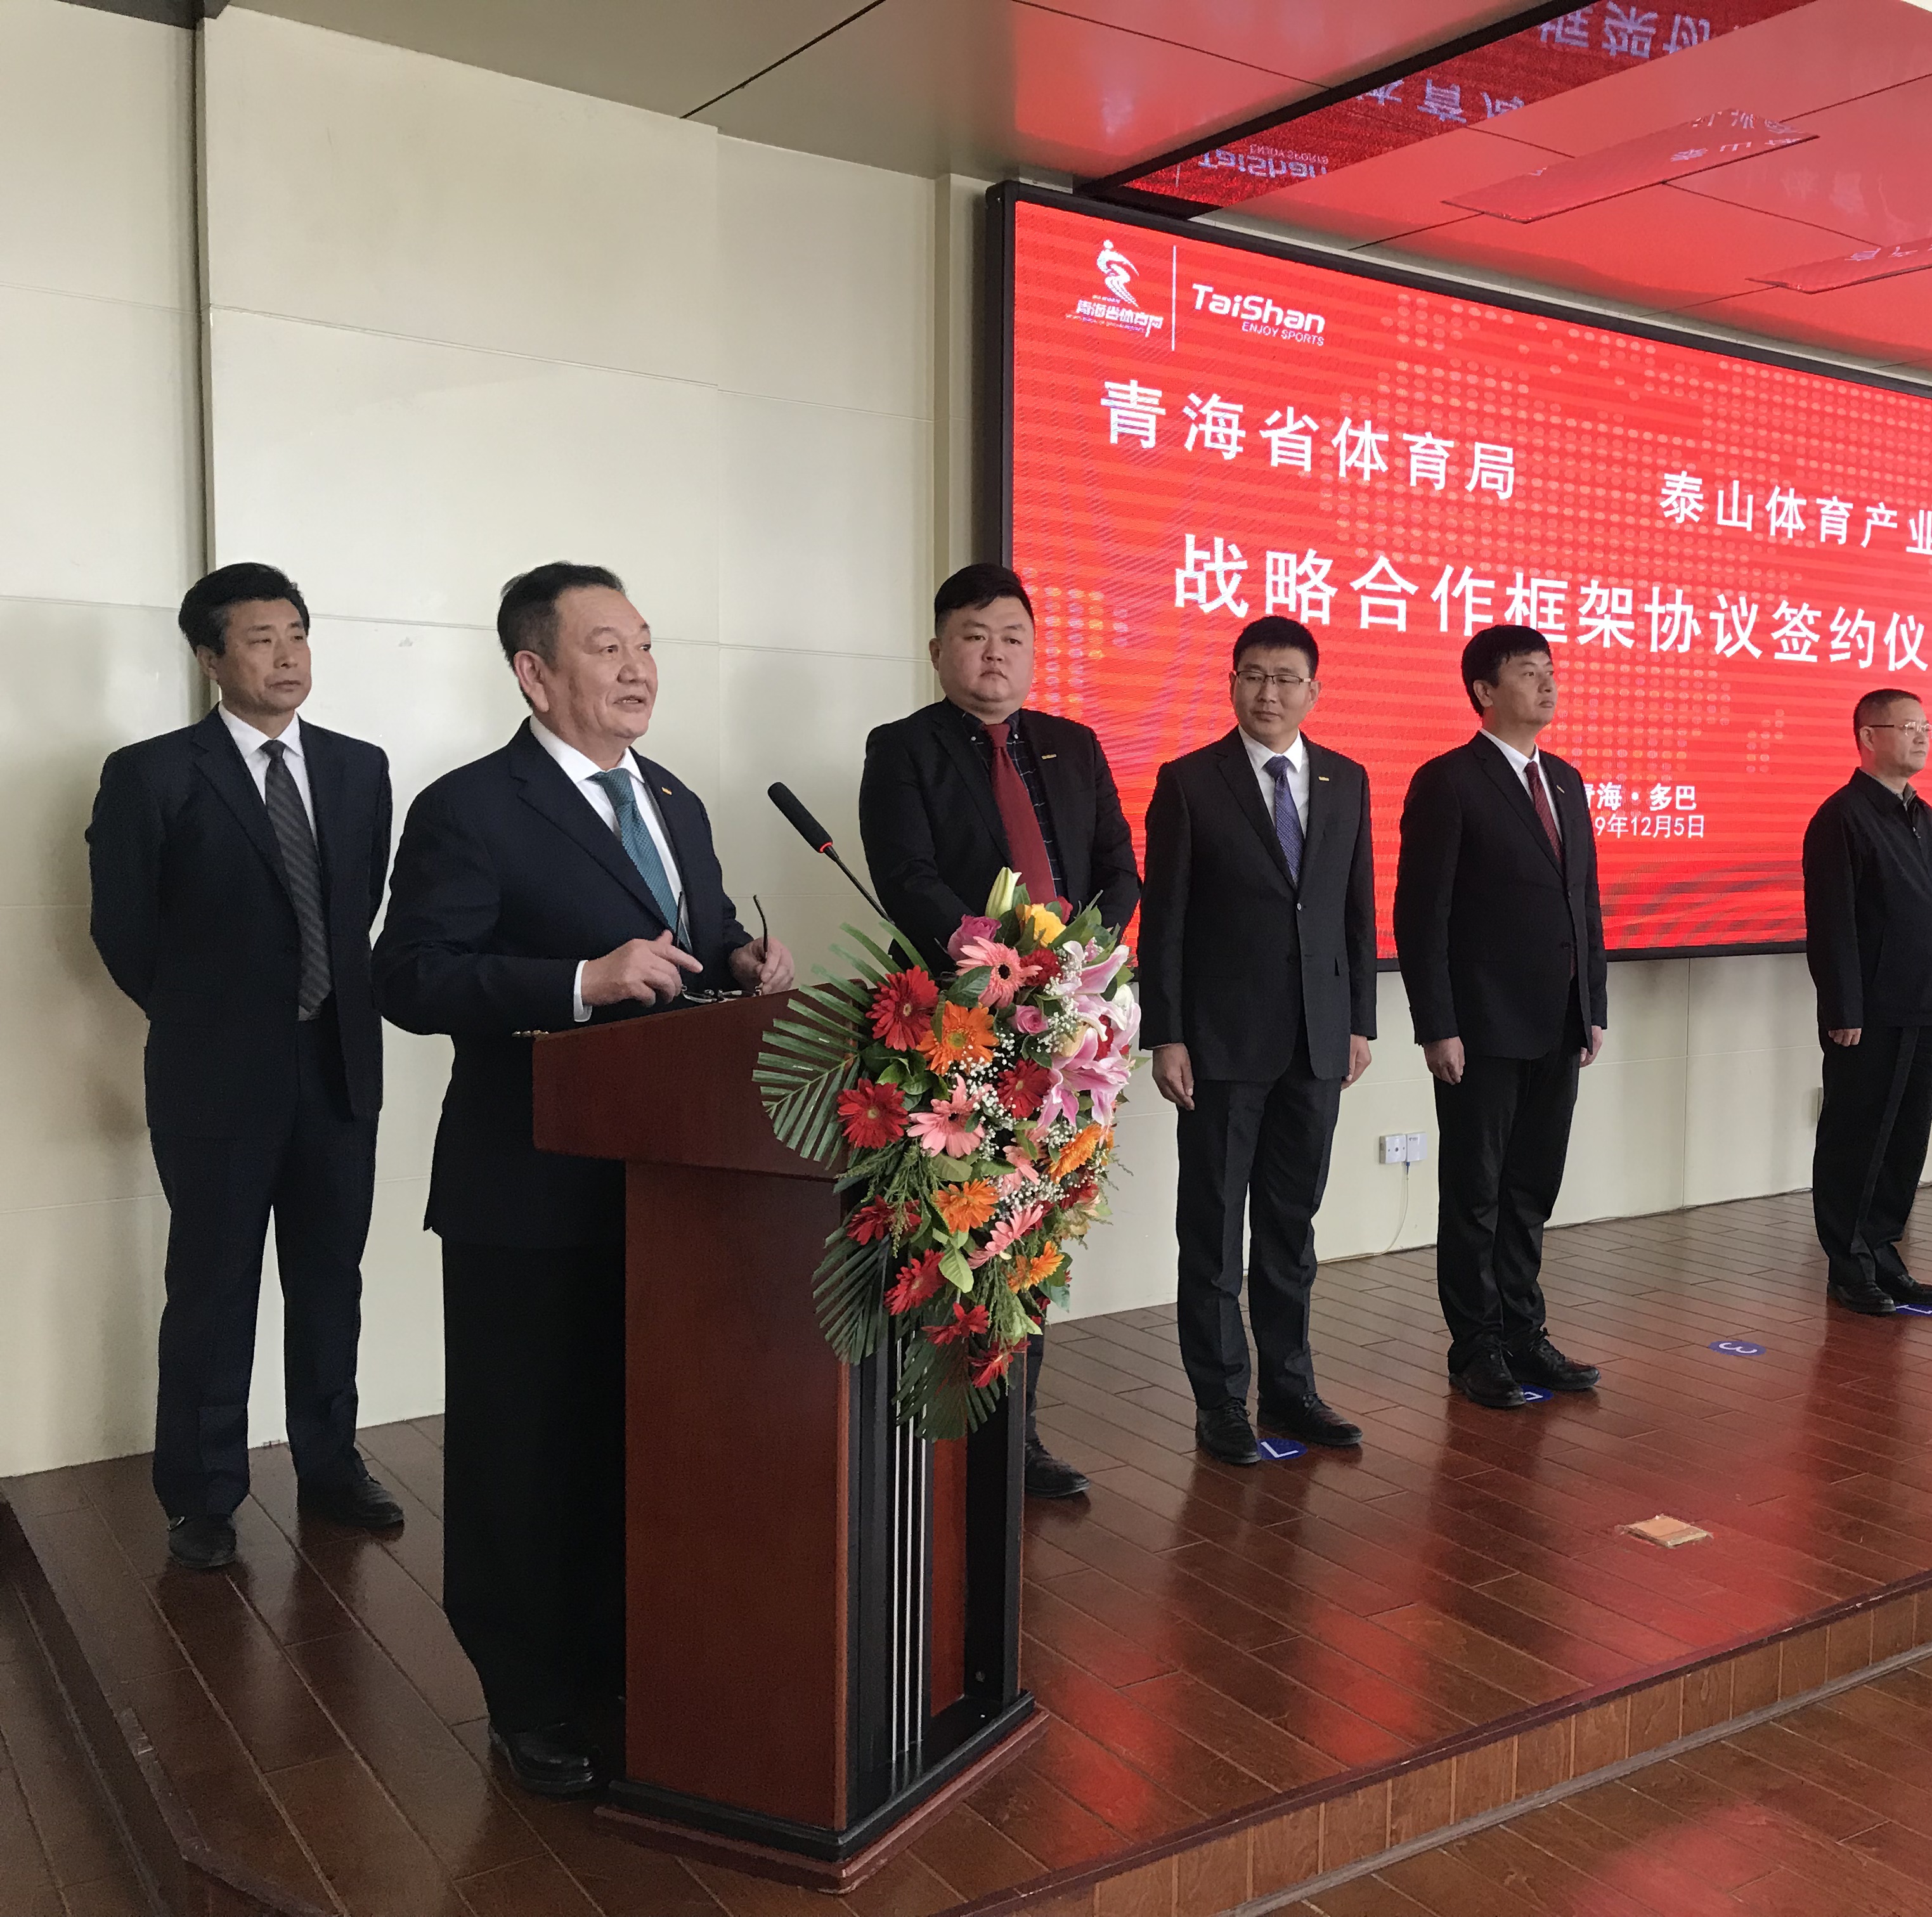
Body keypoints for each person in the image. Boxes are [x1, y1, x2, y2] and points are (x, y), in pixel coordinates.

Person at [375, 563, 792, 1798]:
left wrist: (738, 959)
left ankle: (620, 1653)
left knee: (636, 1436)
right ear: (535, 672)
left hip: (674, 1189)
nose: (638, 667)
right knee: (523, 1449)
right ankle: (528, 1695)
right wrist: (577, 982)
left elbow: (694, 938)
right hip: (528, 1185)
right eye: (606, 646)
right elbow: (412, 976)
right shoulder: (470, 807)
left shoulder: (674, 798)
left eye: (645, 643)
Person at [86, 562, 404, 1572]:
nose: (287, 656)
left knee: (330, 1281)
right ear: (211, 658)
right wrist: (206, 1018)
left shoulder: (358, 768)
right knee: (214, 1288)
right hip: (215, 1073)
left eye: (297, 634)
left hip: (339, 1064)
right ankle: (203, 1495)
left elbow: (355, 908)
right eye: (261, 639)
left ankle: (330, 1465)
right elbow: (123, 929)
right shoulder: (153, 774)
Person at [859, 564, 1141, 1499]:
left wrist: (1075, 965)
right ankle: (943, 1439)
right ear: (938, 649)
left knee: (1036, 1225)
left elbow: (1118, 868)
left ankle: (1016, 1438)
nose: (995, 654)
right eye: (975, 636)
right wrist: (1006, 961)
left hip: (1066, 1027)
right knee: (960, 1226)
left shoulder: (1073, 744)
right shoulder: (904, 748)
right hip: (961, 1028)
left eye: (1013, 636)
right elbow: (907, 877)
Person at [1143, 616, 1375, 1466]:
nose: (1268, 693)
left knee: (1291, 1226)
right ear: (1233, 683)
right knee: (1213, 1230)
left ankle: (1290, 1389)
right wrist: (1167, 1035)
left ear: (1314, 691)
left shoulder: (1347, 780)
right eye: (1253, 675)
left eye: (1285, 679)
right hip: (1220, 1043)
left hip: (1317, 1041)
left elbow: (1355, 911)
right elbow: (1164, 923)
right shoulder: (1189, 782)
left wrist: (1359, 1022)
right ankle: (1220, 1402)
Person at [1395, 624, 1606, 1409]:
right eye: (1528, 672)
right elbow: (1423, 915)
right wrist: (1436, 1024)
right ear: (1484, 691)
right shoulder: (1448, 781)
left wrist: (1593, 1005)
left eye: (1550, 671)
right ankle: (1476, 1346)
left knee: (1531, 1189)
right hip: (1480, 1027)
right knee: (1476, 1193)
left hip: (1558, 1022)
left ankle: (1525, 1332)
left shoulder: (1567, 782)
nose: (1547, 685)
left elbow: (1584, 903)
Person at [1802, 688, 1932, 1317]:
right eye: (1908, 727)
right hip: (1871, 1014)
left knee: (1905, 1139)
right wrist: (1843, 1008)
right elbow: (1833, 922)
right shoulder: (1842, 816)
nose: (1922, 737)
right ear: (1869, 737)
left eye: (1927, 727)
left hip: (1928, 1005)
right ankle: (1849, 1265)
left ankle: (1883, 1251)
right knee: (1858, 1138)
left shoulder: (1924, 814)